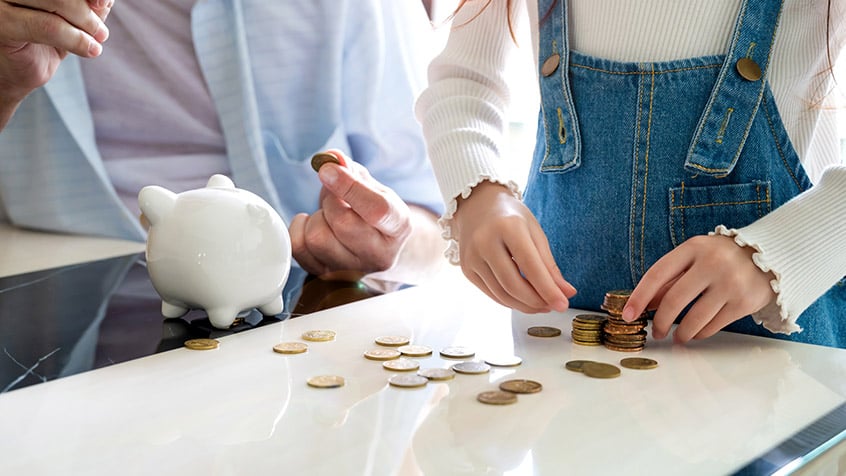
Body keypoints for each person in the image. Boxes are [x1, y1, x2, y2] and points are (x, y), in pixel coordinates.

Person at [416, 0, 846, 347]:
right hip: (566, 354)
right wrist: (477, 192)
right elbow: (464, 78)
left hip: (774, 351)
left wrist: (777, 255)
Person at [0, 0, 446, 311]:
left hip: (298, 310)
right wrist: (5, 90)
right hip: (45, 304)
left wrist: (385, 244)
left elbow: (437, 228)